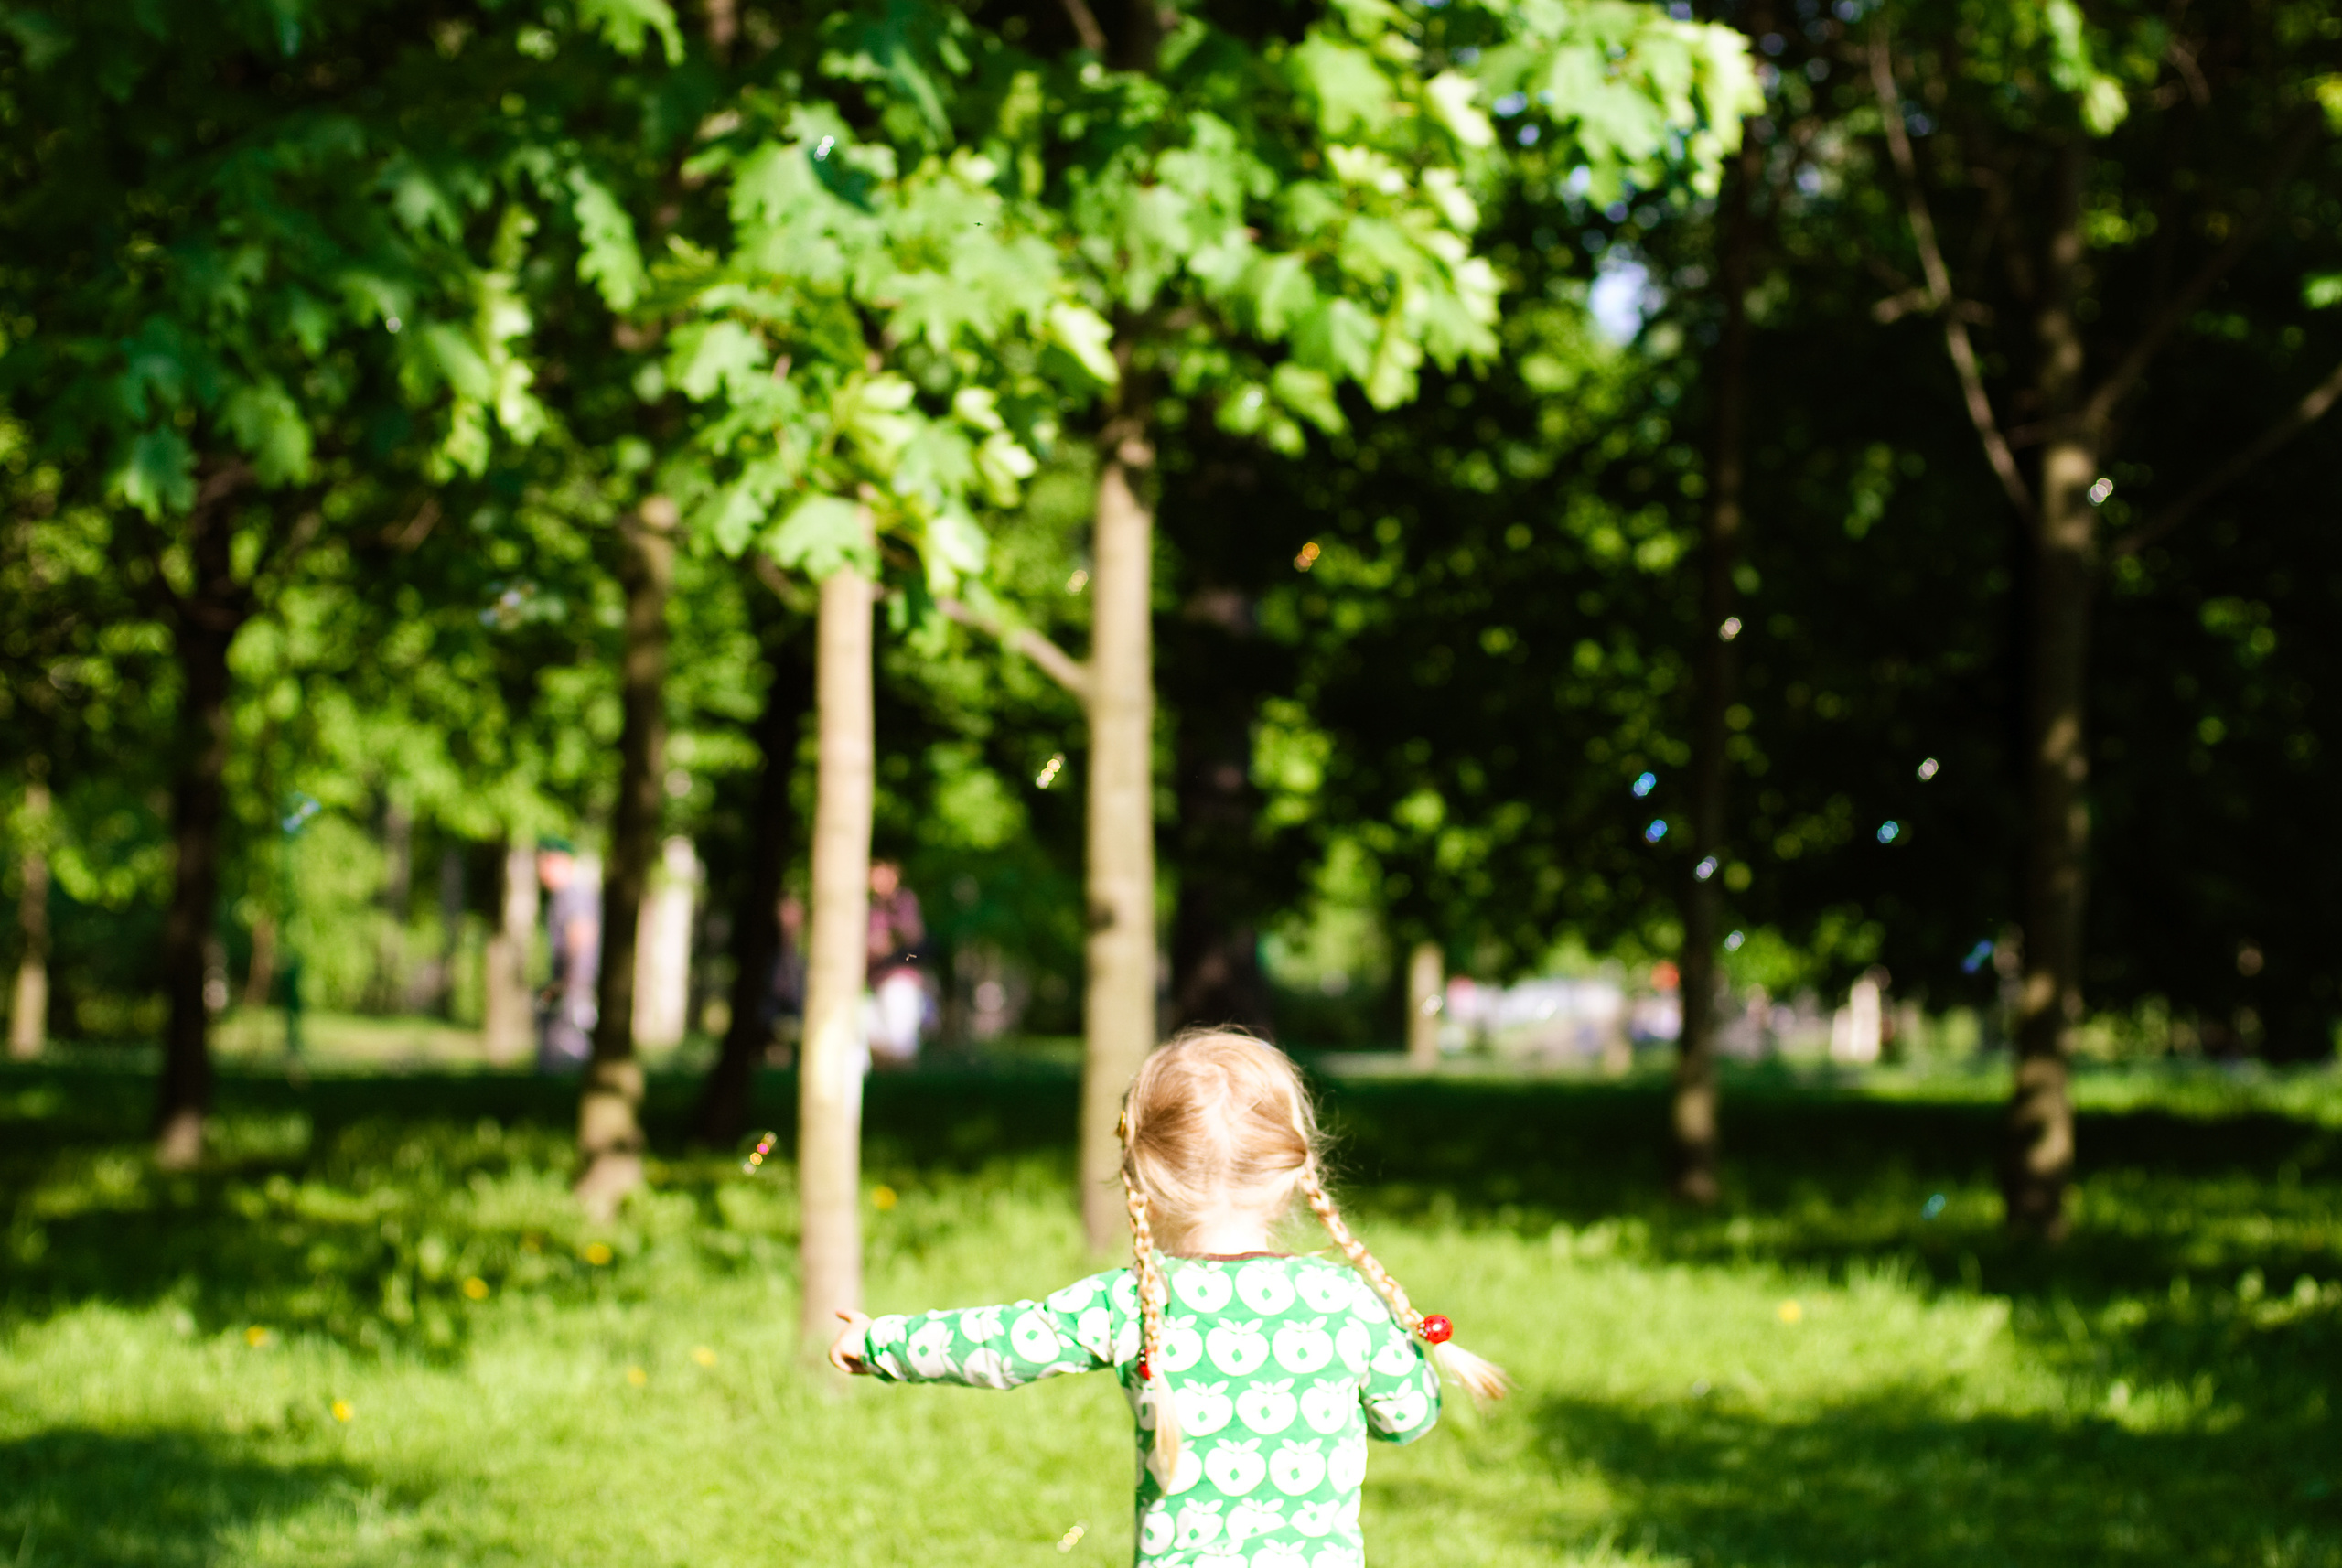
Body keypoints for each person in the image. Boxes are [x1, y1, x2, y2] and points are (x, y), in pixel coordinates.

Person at [828, 1030, 1508, 1566]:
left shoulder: (1133, 1299)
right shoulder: (1342, 1300)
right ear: (1293, 1170)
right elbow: (1408, 1417)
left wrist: (878, 1343)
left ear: (1144, 1172)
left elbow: (1004, 1343)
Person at [534, 838, 599, 1074]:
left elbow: (581, 940)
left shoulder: (574, 894)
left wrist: (566, 985)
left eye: (541, 862)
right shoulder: (562, 896)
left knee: (571, 1048)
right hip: (572, 985)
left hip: (577, 986)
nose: (538, 870)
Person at [864, 860, 926, 1069]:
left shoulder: (904, 903)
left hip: (900, 977)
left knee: (899, 1044)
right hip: (875, 982)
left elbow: (914, 945)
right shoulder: (869, 907)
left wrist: (894, 941)